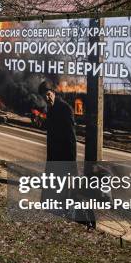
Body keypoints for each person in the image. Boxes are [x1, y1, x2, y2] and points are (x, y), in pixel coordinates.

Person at [37, 80, 95, 229]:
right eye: (44, 97)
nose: (47, 99)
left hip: (64, 160)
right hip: (53, 159)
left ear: (53, 93)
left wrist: (70, 163)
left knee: (70, 194)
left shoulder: (65, 109)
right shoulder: (51, 109)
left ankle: (86, 221)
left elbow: (71, 139)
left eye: (48, 95)